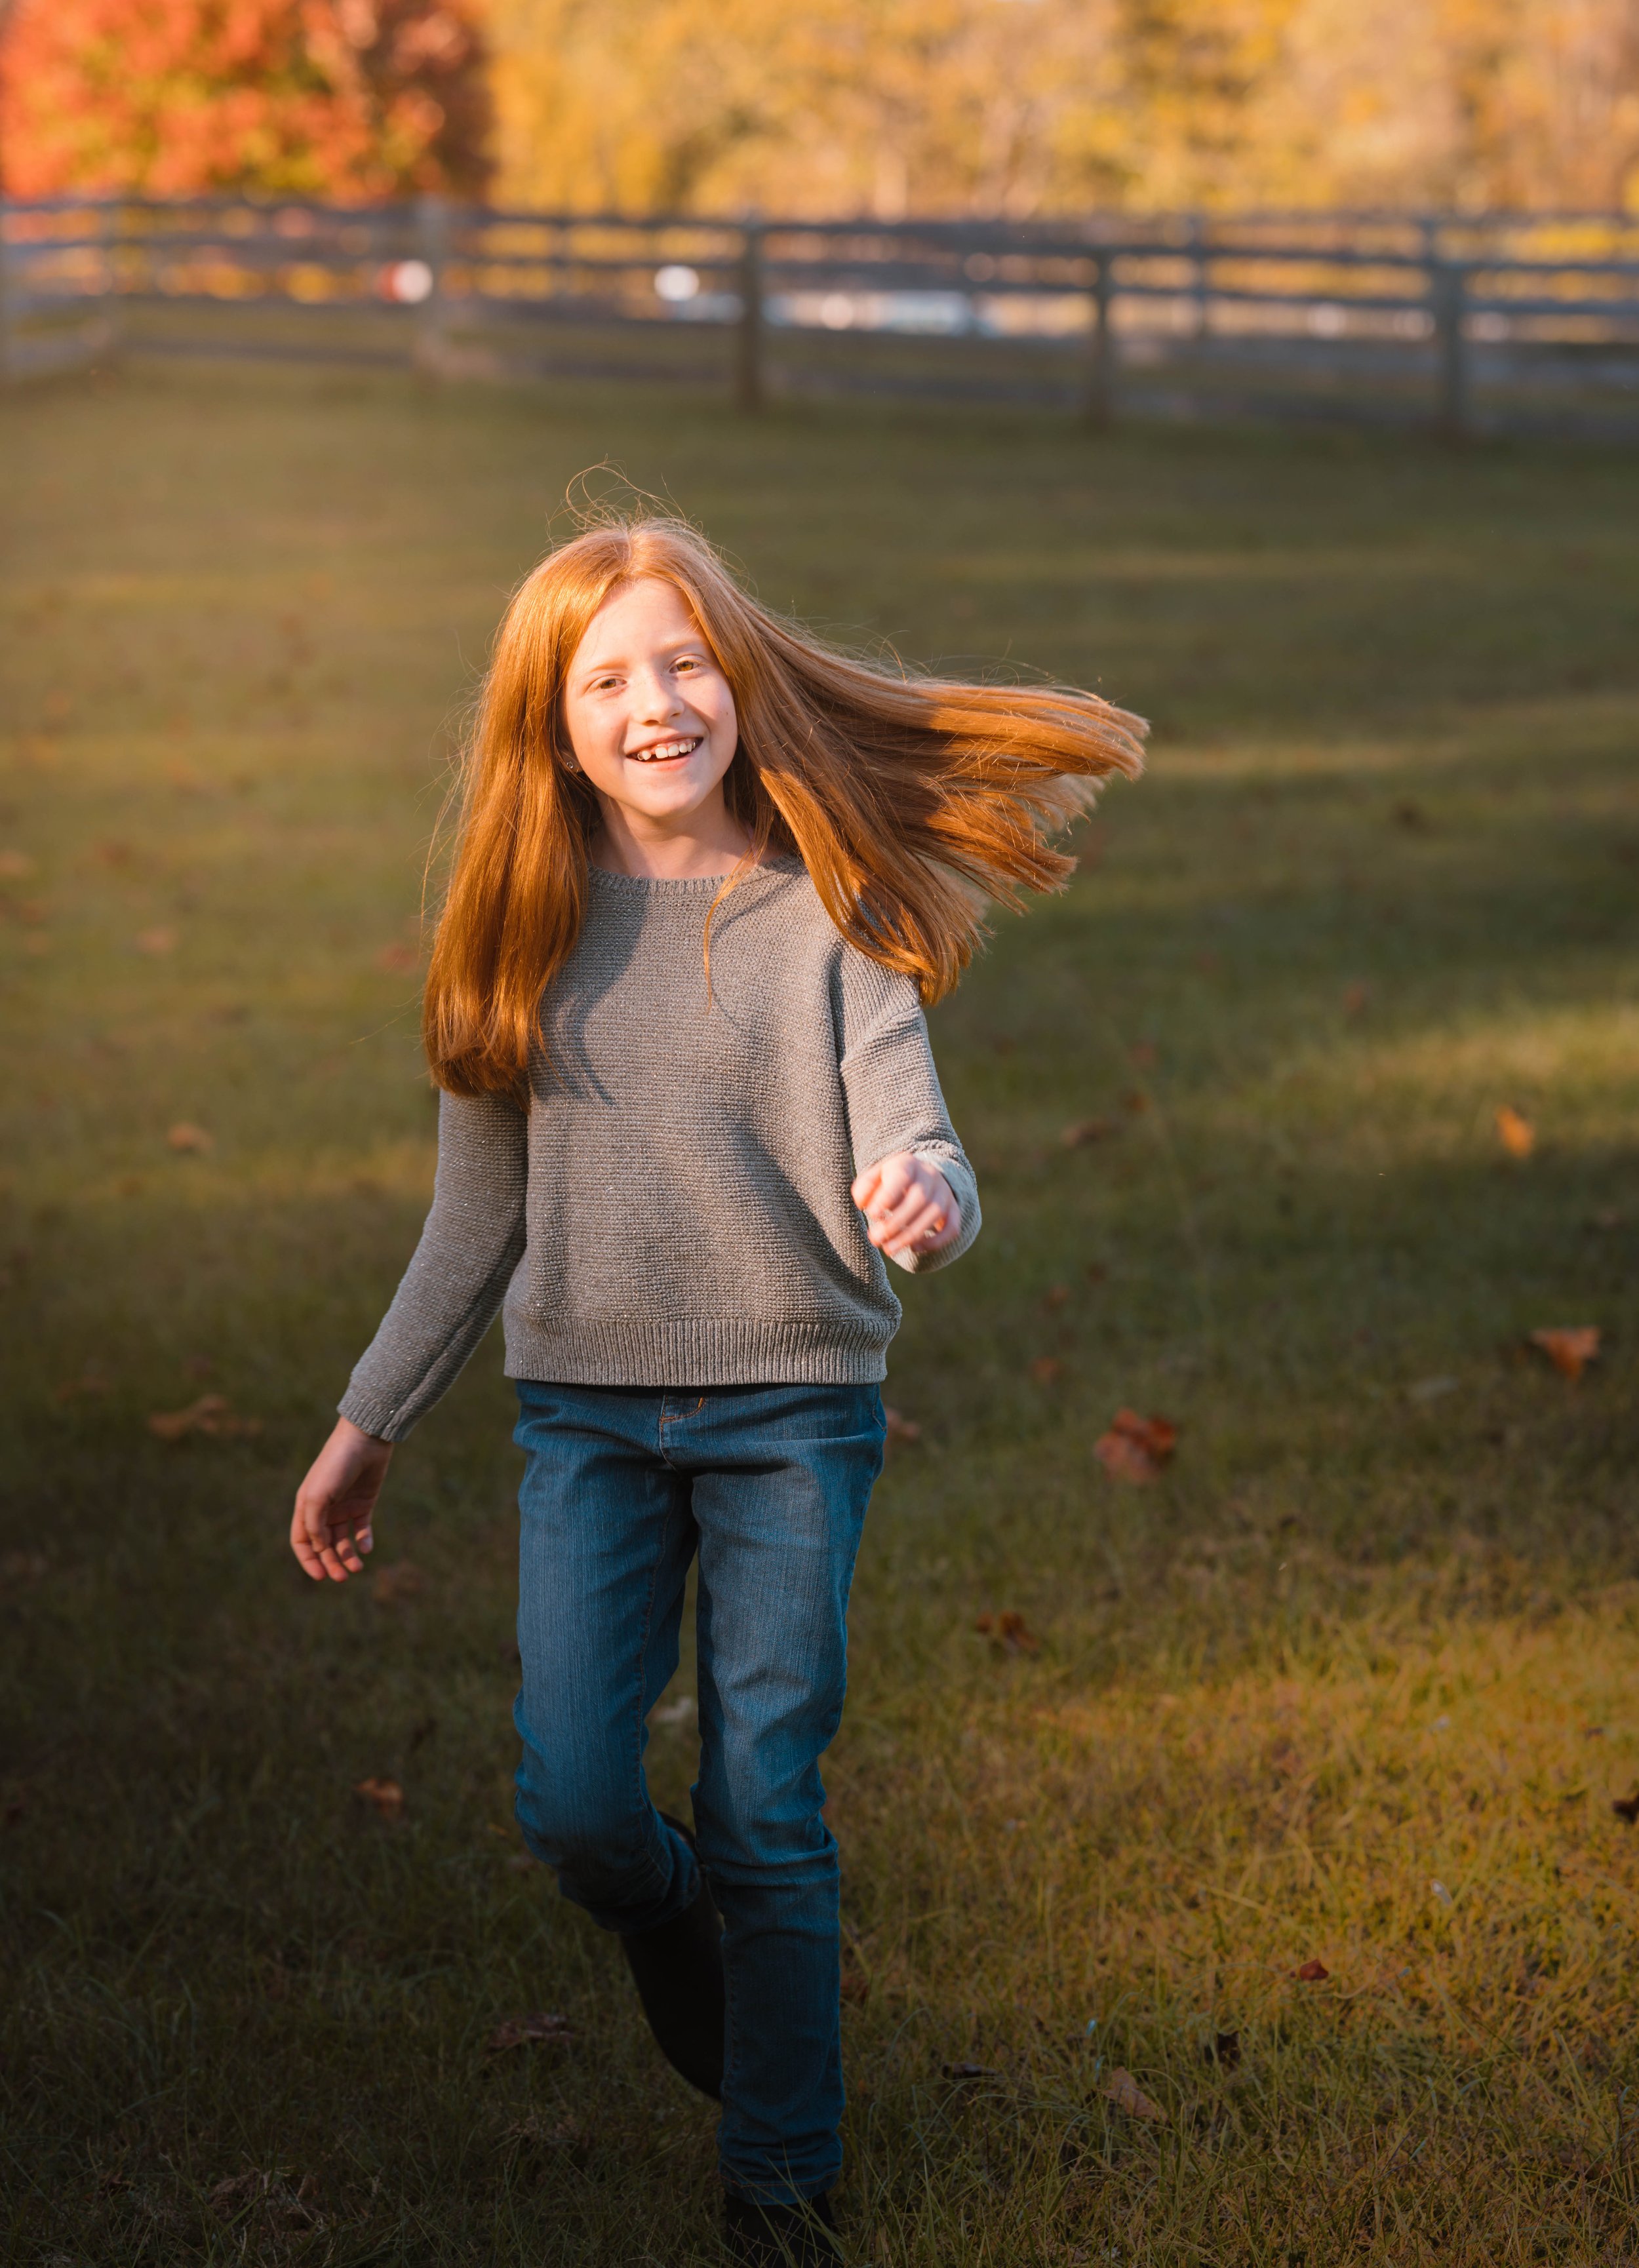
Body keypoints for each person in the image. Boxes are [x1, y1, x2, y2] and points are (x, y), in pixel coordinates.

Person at [288, 517, 1144, 2267]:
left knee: (771, 1799)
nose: (653, 701)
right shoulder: (521, 923)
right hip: (586, 1426)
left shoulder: (829, 909)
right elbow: (476, 1212)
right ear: (551, 722)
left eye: (681, 662)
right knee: (580, 1804)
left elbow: (917, 1134)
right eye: (605, 678)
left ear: (739, 682)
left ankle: (779, 2178)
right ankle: (676, 1928)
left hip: (791, 1418)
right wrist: (366, 1423)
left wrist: (932, 1194)